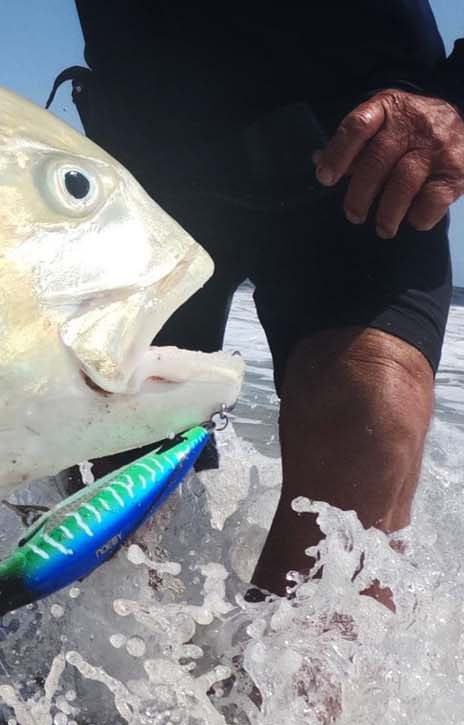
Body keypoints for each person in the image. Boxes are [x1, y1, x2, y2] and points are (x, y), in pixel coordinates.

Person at [60, 1, 464, 601]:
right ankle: (85, 676)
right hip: (143, 164)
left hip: (362, 148)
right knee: (109, 458)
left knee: (370, 416)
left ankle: (285, 693)